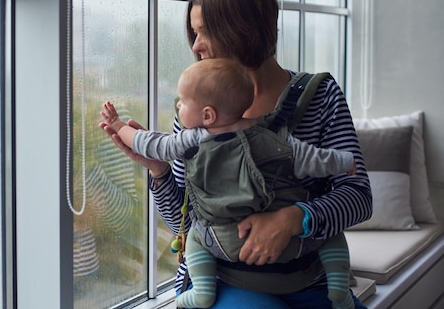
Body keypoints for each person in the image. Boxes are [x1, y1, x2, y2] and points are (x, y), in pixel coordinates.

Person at [100, 0, 372, 309]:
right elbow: (186, 223)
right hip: (222, 283)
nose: (195, 45)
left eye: (204, 32)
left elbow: (359, 196)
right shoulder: (197, 111)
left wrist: (293, 220)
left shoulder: (320, 97)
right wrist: (158, 171)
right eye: (194, 33)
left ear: (241, 30)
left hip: (308, 278)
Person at [100, 58, 356, 309]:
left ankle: (202, 292)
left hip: (223, 243)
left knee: (197, 239)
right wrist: (344, 162)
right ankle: (338, 290)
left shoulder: (191, 141)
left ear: (208, 115)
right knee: (331, 236)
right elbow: (312, 158)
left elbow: (147, 142)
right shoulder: (271, 137)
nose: (178, 108)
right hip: (296, 248)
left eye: (182, 103)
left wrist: (118, 124)